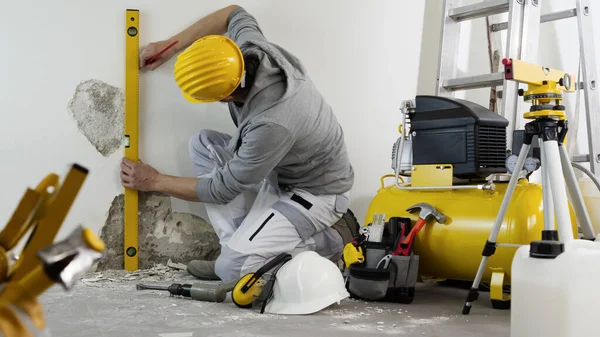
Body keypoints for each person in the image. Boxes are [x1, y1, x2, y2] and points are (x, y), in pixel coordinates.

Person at [119, 5, 356, 283]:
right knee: (203, 144)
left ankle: (333, 240)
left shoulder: (271, 122)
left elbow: (221, 189)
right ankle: (234, 249)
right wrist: (170, 47)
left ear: (227, 95)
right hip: (280, 170)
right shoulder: (247, 52)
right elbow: (233, 12)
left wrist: (154, 181)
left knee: (232, 272)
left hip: (316, 194)